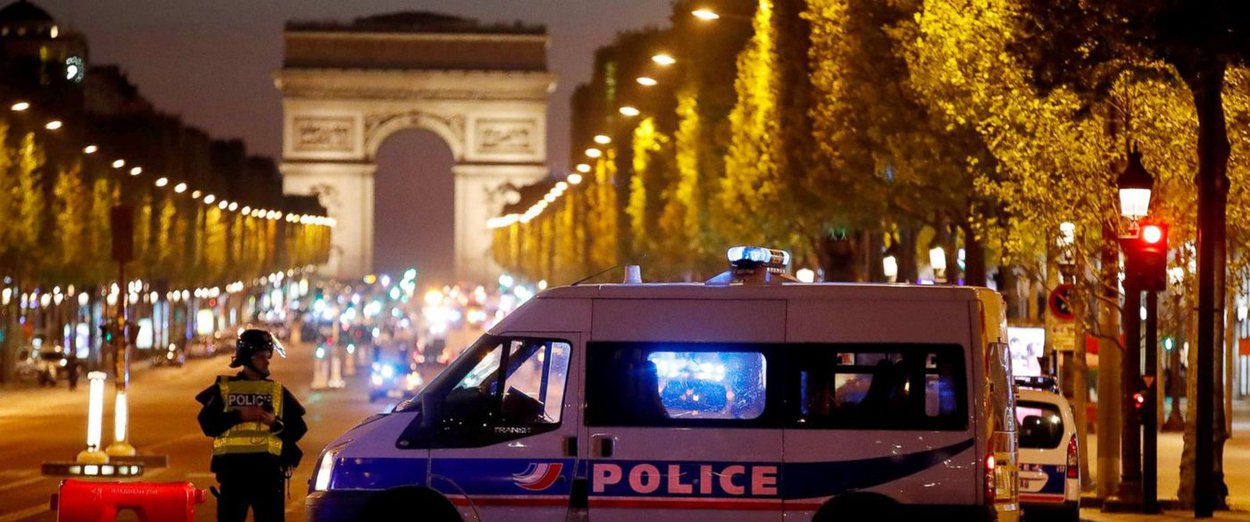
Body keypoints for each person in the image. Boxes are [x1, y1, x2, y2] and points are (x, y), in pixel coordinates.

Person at [196, 329, 307, 522]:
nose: (267, 362)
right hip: (233, 476)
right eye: (261, 357)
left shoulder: (276, 391)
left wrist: (274, 423)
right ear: (247, 358)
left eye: (268, 356)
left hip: (268, 476)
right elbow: (207, 425)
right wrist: (239, 416)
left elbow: (299, 429)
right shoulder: (224, 388)